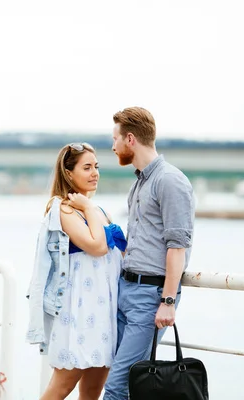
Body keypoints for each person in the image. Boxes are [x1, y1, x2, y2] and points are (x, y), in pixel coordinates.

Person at [100, 107, 195, 400]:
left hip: (150, 296)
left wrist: (167, 301)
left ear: (130, 139)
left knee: (119, 387)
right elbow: (144, 241)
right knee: (118, 379)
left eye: (115, 139)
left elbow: (177, 246)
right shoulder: (140, 182)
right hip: (126, 290)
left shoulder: (170, 181)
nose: (112, 146)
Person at [26, 142, 127, 400]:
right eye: (87, 167)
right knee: (62, 385)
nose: (95, 173)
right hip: (77, 313)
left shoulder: (100, 211)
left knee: (93, 390)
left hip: (104, 313)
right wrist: (89, 208)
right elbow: (96, 246)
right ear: (69, 173)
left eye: (96, 167)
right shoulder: (63, 209)